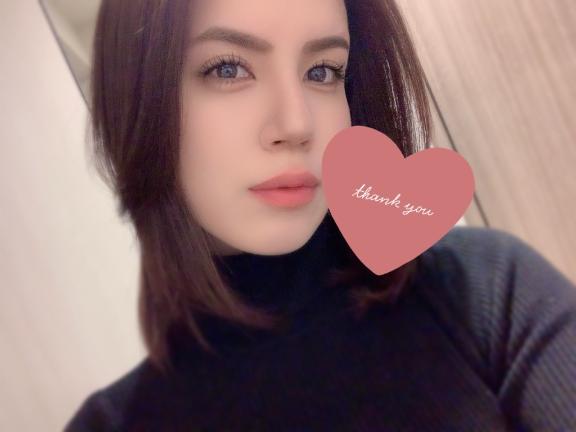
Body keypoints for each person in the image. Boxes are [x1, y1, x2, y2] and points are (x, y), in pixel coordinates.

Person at [64, 0, 576, 430]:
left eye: (323, 71)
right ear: (137, 100)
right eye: (227, 68)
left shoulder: (485, 288)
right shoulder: (113, 423)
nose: (297, 123)